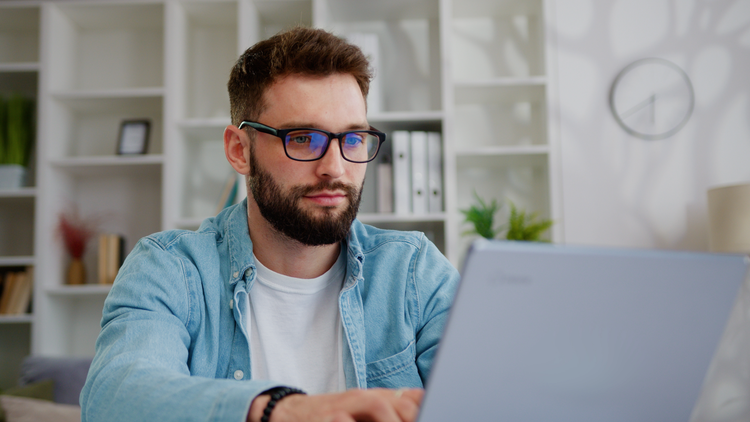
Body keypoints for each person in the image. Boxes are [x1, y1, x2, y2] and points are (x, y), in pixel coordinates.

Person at [80, 26, 459, 422]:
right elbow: (115, 396)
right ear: (239, 150)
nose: (335, 168)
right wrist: (280, 410)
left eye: (352, 139)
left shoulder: (414, 272)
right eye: (302, 138)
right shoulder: (170, 269)